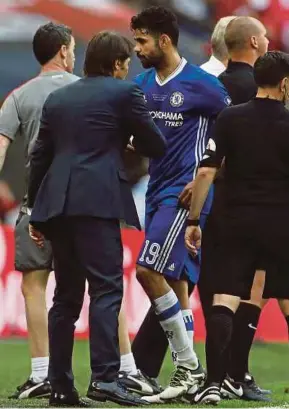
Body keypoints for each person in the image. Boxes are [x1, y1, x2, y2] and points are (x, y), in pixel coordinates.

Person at [27, 31, 166, 407]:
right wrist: (125, 139)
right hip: (97, 201)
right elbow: (155, 145)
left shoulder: (59, 97)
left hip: (57, 203)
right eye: (126, 63)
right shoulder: (124, 94)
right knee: (106, 290)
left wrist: (34, 211)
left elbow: (40, 156)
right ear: (117, 64)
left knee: (66, 298)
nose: (127, 69)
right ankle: (105, 378)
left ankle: (60, 386)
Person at [119, 6, 230, 403]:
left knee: (148, 271)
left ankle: (187, 365)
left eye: (142, 40)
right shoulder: (143, 83)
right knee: (178, 282)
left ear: (164, 40)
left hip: (183, 194)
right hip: (155, 190)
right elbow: (140, 137)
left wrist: (206, 176)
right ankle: (190, 373)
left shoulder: (204, 85)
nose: (136, 49)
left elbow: (231, 134)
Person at [185, 50, 289, 404]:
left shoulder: (230, 118)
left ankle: (214, 383)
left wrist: (194, 219)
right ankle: (234, 376)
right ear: (285, 83)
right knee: (284, 300)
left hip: (235, 221)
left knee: (225, 298)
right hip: (280, 225)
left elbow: (206, 171)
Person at [0, 22, 79, 399]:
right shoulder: (86, 90)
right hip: (82, 207)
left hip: (36, 207)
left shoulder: (18, 96)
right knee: (102, 287)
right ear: (63, 51)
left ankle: (40, 373)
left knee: (34, 287)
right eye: (74, 48)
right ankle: (121, 371)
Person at [198, 16, 272, 402]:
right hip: (259, 206)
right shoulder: (260, 95)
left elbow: (200, 151)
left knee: (213, 291)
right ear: (255, 43)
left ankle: (207, 376)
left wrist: (194, 186)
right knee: (252, 289)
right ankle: (235, 373)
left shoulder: (206, 87)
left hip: (210, 202)